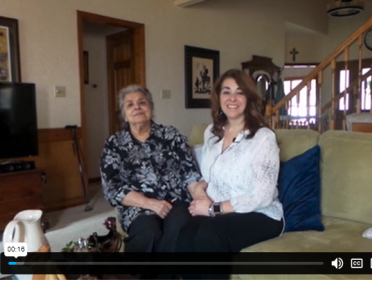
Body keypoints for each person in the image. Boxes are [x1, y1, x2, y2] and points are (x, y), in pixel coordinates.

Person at [175, 69, 284, 278]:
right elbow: (208, 174)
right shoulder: (211, 133)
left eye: (239, 92)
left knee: (210, 234)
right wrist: (200, 190)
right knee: (185, 235)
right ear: (219, 98)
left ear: (249, 98)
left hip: (260, 214)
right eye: (226, 92)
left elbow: (262, 196)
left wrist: (212, 209)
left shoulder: (263, 138)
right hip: (218, 211)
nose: (232, 98)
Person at [100, 84, 207, 255]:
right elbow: (112, 188)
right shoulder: (114, 144)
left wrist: (201, 199)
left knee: (179, 226)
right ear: (124, 116)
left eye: (142, 102)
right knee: (147, 232)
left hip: (176, 200)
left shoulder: (171, 135)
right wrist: (150, 204)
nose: (137, 107)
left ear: (151, 108)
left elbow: (190, 173)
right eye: (130, 104)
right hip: (137, 206)